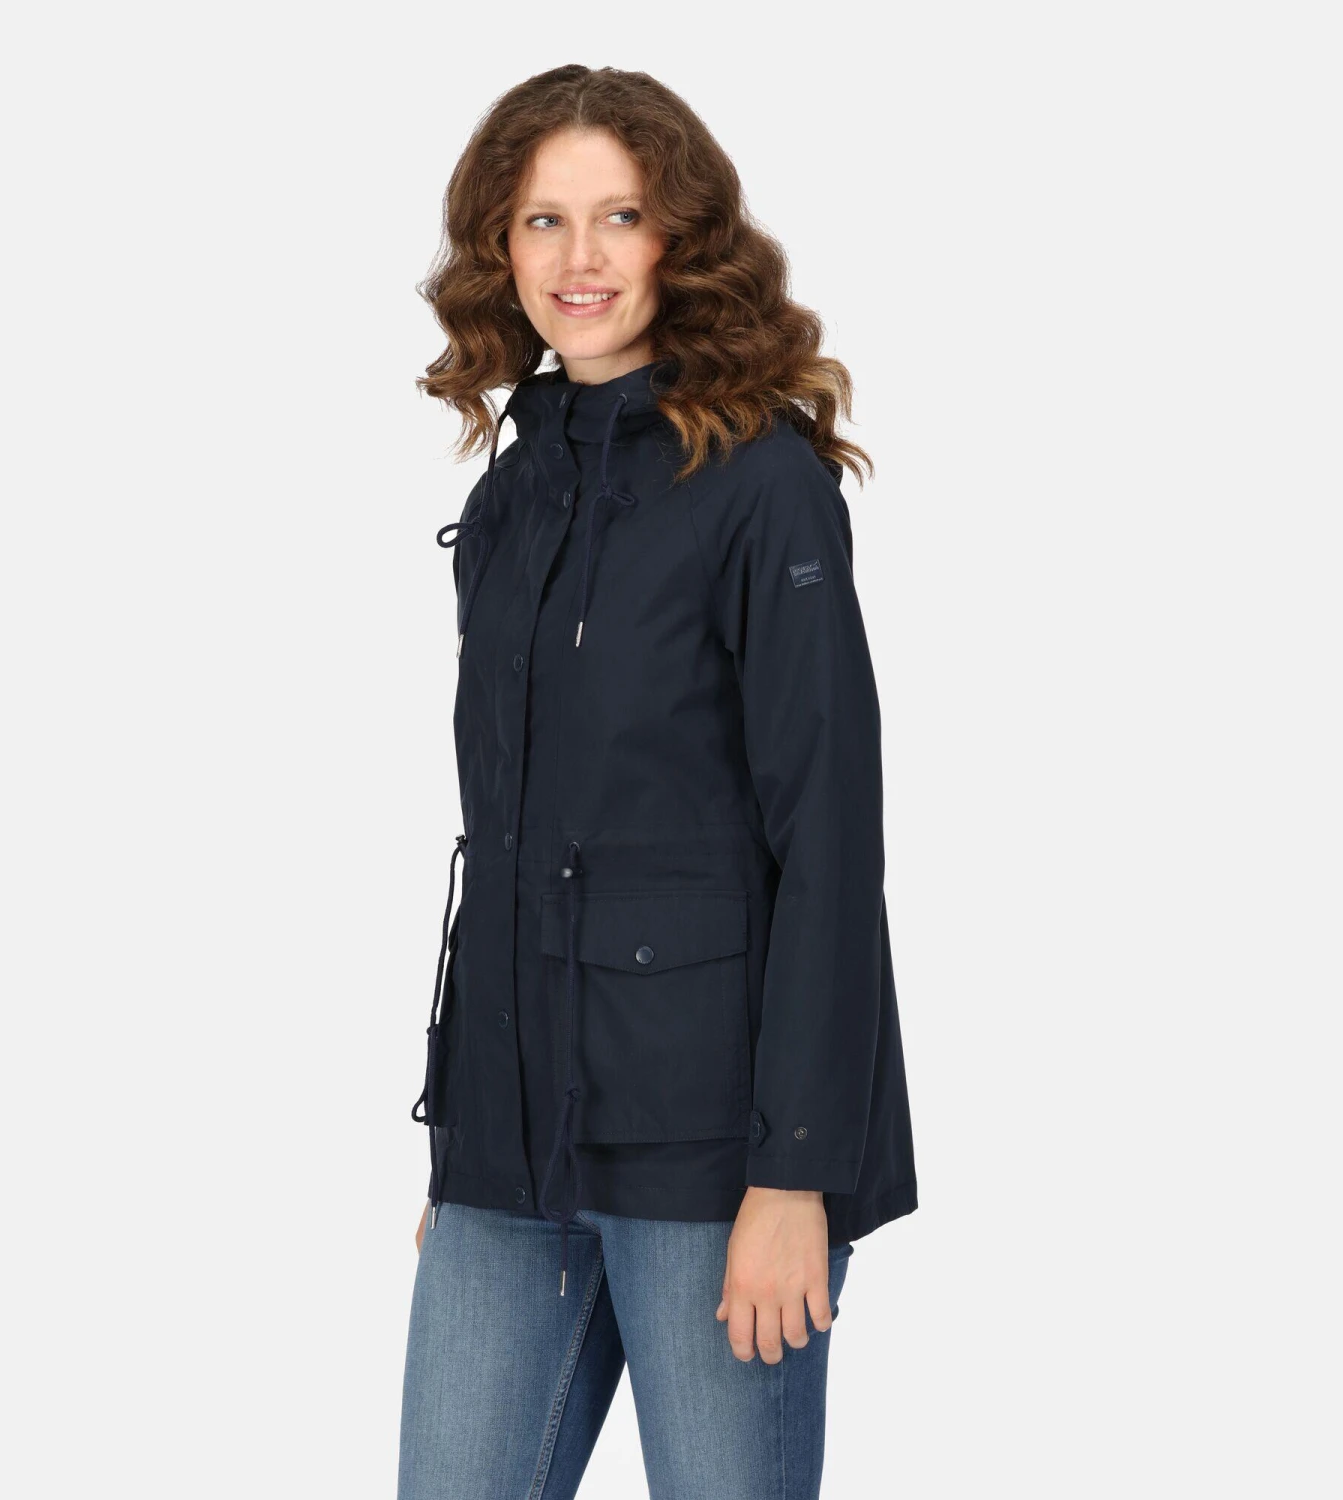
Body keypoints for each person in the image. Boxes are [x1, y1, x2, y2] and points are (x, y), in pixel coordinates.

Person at [399, 63, 918, 1500]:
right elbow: (507, 838)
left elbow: (829, 839)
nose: (581, 258)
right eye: (543, 221)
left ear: (679, 237)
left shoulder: (762, 484)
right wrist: (471, 1140)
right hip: (511, 1159)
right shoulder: (514, 493)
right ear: (500, 249)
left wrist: (794, 1176)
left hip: (713, 1160)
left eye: (619, 216)